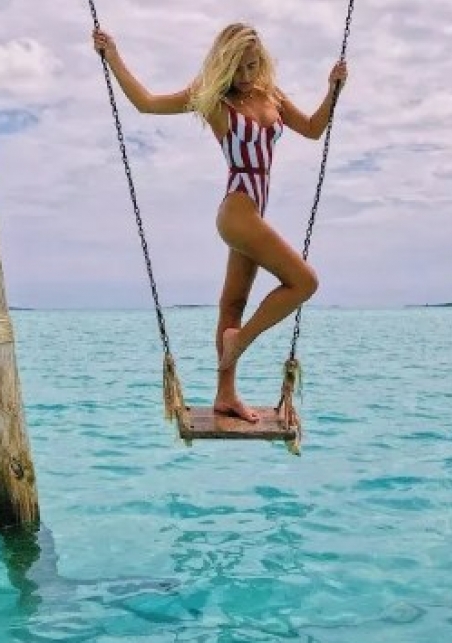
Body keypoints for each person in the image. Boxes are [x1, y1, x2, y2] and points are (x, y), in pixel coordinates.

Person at [92, 23, 347, 424]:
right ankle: (239, 341)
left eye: (252, 66)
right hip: (237, 210)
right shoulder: (213, 98)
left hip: (255, 212)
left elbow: (314, 130)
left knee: (233, 304)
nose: (245, 75)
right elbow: (146, 103)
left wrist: (332, 90)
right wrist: (112, 56)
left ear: (261, 61)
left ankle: (225, 395)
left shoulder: (273, 95)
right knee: (305, 282)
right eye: (238, 67)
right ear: (224, 63)